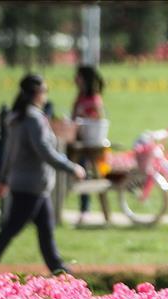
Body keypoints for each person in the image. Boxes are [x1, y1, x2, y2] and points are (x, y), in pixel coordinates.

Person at [0, 74, 86, 274]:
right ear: (36, 94)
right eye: (44, 91)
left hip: (29, 184)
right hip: (32, 185)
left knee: (45, 230)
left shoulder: (16, 118)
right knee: (11, 228)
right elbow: (45, 152)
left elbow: (8, 153)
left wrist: (3, 178)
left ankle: (58, 269)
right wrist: (71, 167)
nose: (45, 95)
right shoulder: (34, 119)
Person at [71, 65, 106, 225]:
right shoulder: (79, 96)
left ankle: (85, 209)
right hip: (78, 141)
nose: (75, 79)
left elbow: (99, 118)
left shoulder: (94, 98)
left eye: (78, 76)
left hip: (90, 142)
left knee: (86, 171)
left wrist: (84, 115)